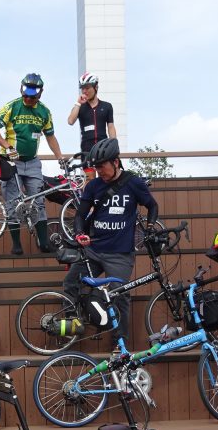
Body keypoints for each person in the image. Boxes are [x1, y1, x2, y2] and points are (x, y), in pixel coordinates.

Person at [66, 138, 158, 346]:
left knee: (120, 295)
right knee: (71, 283)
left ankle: (119, 344)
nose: (99, 171)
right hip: (94, 250)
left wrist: (151, 229)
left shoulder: (133, 183)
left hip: (120, 254)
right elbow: (80, 215)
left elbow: (152, 206)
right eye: (96, 167)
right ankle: (81, 322)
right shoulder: (94, 186)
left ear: (116, 162)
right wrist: (80, 232)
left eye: (102, 166)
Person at [0, 73, 66, 255]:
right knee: (13, 202)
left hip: (32, 162)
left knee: (39, 201)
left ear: (40, 93)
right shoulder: (11, 107)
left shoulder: (44, 111)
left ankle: (44, 243)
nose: (28, 98)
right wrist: (7, 146)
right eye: (26, 95)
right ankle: (16, 244)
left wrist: (60, 156)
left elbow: (50, 136)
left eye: (33, 95)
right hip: (10, 162)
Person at [67, 72, 116, 177]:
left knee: (107, 179)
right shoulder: (80, 107)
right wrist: (78, 103)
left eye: (87, 87)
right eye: (82, 88)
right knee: (89, 182)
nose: (84, 91)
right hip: (87, 150)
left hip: (103, 148)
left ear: (96, 87)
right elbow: (70, 121)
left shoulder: (107, 106)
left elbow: (111, 126)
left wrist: (114, 145)